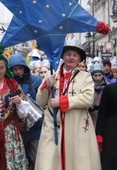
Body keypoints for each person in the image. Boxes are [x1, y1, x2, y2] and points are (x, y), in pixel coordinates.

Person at [35, 42, 101, 170]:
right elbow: (40, 101)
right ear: (63, 57)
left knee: (78, 162)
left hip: (77, 127)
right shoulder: (51, 75)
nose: (71, 57)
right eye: (68, 54)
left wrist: (62, 102)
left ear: (79, 59)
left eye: (75, 55)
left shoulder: (85, 77)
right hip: (52, 127)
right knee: (49, 162)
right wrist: (46, 86)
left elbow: (88, 99)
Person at [9, 54, 43, 170]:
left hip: (35, 127)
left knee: (37, 159)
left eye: (20, 68)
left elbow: (43, 101)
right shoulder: (9, 84)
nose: (18, 71)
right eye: (15, 69)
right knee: (18, 161)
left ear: (25, 67)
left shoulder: (36, 80)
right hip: (17, 128)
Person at [88, 60, 107, 127]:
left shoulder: (108, 87)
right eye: (95, 76)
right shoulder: (88, 87)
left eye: (100, 75)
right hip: (91, 118)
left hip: (104, 118)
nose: (98, 78)